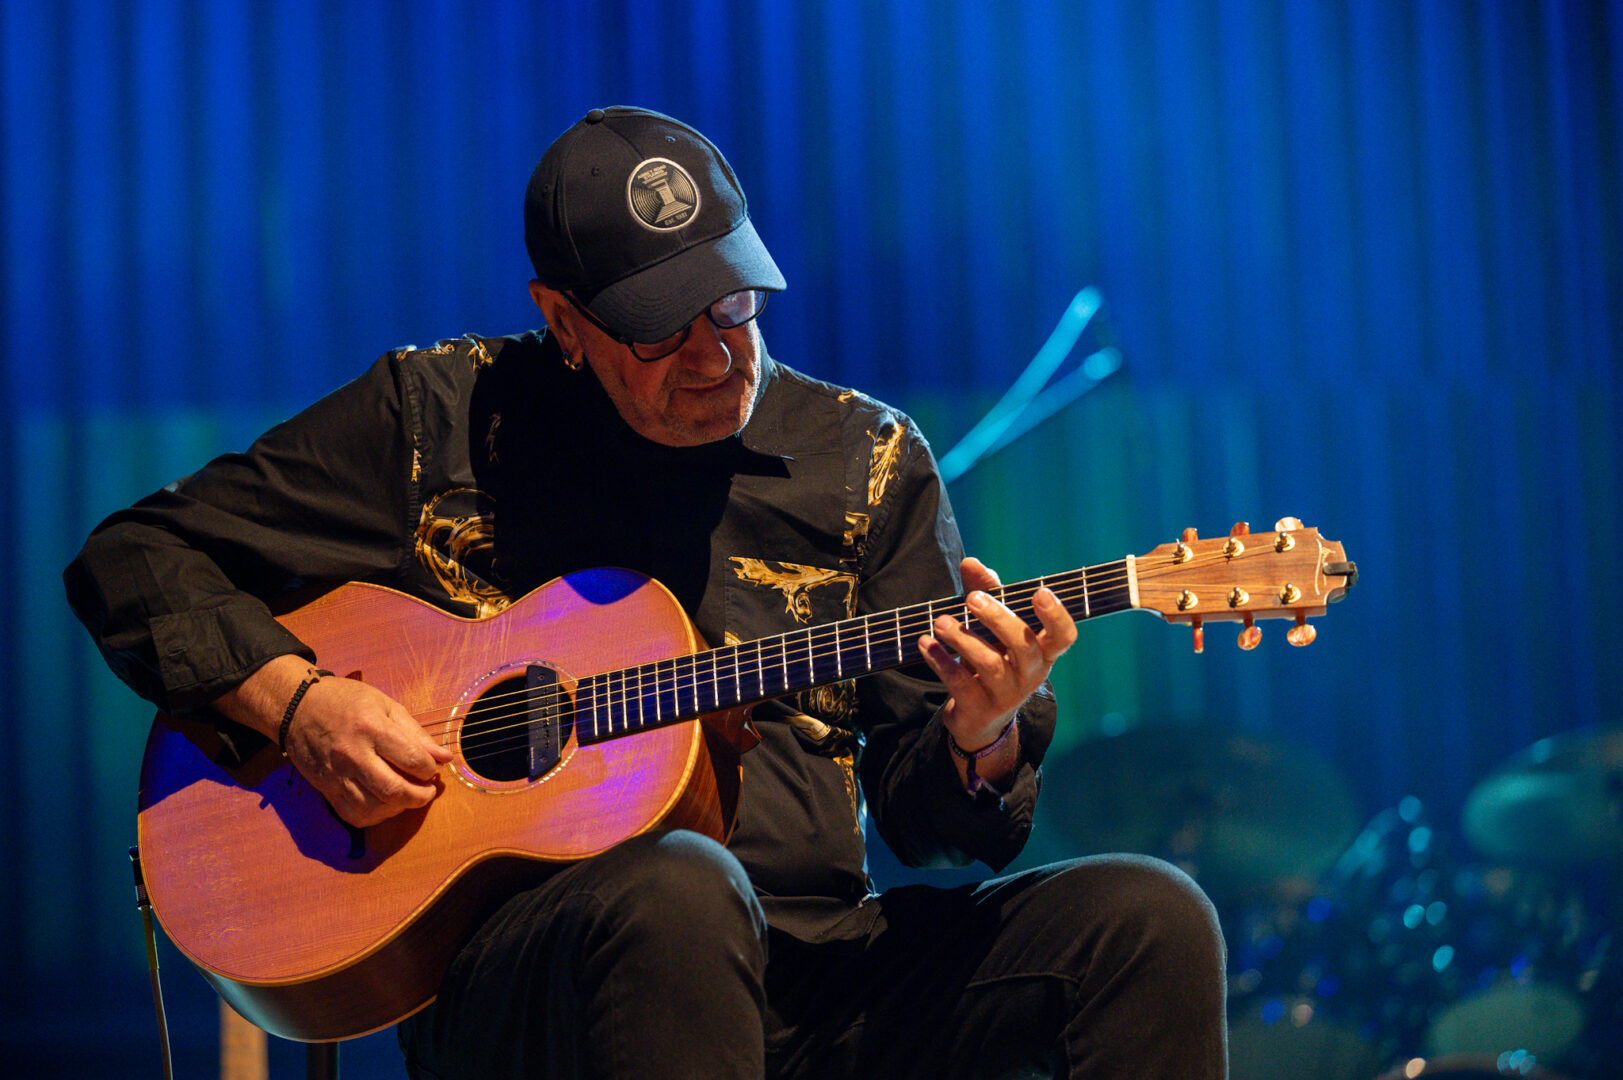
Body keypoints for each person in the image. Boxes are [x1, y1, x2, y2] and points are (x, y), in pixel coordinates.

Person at [65, 106, 1226, 1079]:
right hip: (542, 982)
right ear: (563, 322)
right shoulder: (438, 422)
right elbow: (132, 559)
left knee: (1149, 920)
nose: (717, 355)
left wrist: (981, 739)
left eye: (736, 303)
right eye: (663, 330)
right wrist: (299, 704)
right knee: (680, 887)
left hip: (821, 964)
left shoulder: (866, 458)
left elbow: (930, 825)